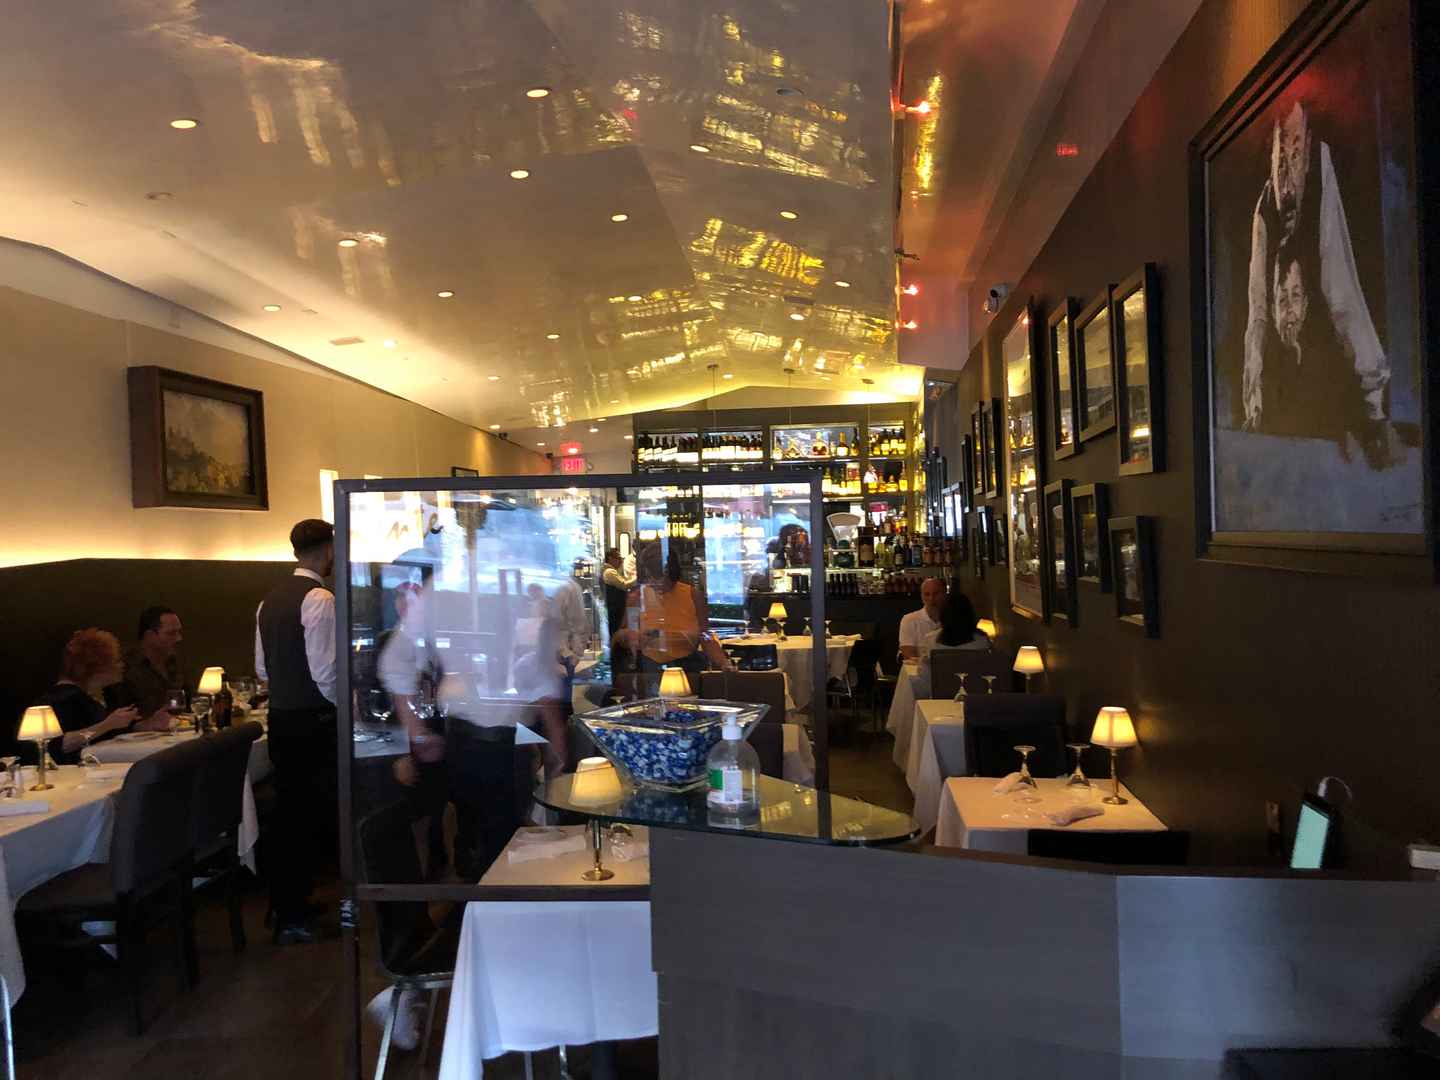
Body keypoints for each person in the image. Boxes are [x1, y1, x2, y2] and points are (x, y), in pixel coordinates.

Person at [1242, 99, 1391, 458]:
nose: (1286, 175)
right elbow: (1257, 310)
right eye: (1281, 157)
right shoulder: (1265, 208)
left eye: (1295, 153)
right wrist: (1252, 394)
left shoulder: (1322, 176)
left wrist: (1372, 401)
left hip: (1333, 398)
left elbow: (1342, 293)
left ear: (1307, 149)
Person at [255, 518, 337, 945]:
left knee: (290, 814)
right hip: (313, 721)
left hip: (281, 719)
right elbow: (325, 673)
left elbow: (262, 670)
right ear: (327, 551)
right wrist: (346, 709)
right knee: (307, 815)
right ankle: (293, 913)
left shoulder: (268, 601)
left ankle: (290, 904)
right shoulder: (319, 598)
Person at [38, 629, 155, 765]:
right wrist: (108, 724)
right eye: (116, 661)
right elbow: (59, 745)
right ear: (96, 667)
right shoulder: (63, 699)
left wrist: (147, 724)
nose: (121, 666)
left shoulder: (102, 694)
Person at [109, 606, 185, 718]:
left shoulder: (174, 664)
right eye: (171, 633)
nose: (179, 638)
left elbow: (187, 704)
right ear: (149, 636)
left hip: (178, 727)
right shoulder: (125, 668)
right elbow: (115, 718)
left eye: (179, 632)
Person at [898, 577, 946, 661]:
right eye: (927, 594)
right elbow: (908, 654)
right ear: (921, 596)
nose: (931, 598)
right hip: (919, 668)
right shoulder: (909, 620)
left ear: (944, 594)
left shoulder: (953, 619)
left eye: (936, 593)